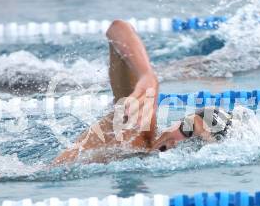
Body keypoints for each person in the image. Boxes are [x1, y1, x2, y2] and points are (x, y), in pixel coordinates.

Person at [53, 20, 231, 165]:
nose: (181, 142)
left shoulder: (143, 156)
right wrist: (148, 75)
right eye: (187, 129)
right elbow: (118, 28)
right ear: (180, 120)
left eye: (195, 144)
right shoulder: (138, 125)